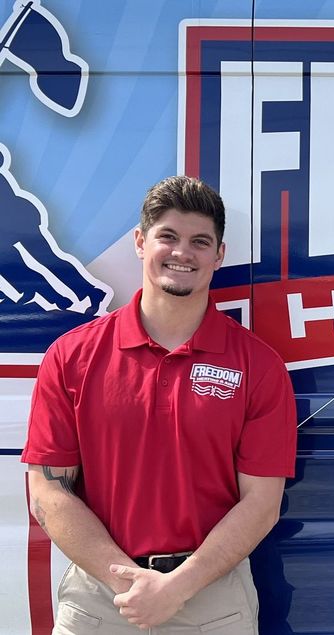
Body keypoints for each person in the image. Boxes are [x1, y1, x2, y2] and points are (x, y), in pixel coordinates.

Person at [21, 175, 297, 633]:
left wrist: (177, 586)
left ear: (219, 255)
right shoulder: (72, 357)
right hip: (100, 599)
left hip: (212, 601)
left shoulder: (258, 366)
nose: (182, 253)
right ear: (140, 242)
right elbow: (48, 494)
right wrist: (130, 583)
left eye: (200, 241)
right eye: (167, 236)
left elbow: (261, 504)